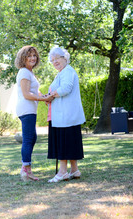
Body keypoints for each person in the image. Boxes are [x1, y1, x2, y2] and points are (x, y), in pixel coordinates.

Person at [46, 46, 85, 183]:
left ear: (65, 58)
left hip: (66, 115)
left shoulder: (68, 71)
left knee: (64, 143)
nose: (55, 61)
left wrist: (50, 96)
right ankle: (74, 170)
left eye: (57, 58)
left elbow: (65, 89)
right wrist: (49, 96)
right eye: (52, 60)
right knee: (70, 142)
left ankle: (62, 172)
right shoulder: (62, 72)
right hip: (65, 115)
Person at [15, 46, 54, 181]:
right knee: (28, 139)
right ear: (23, 58)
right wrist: (44, 98)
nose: (32, 58)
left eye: (34, 56)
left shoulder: (29, 73)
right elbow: (26, 94)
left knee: (32, 137)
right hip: (26, 108)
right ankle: (26, 171)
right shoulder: (24, 72)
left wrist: (43, 97)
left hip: (29, 108)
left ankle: (25, 168)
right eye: (29, 56)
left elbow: (34, 91)